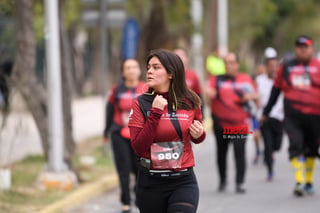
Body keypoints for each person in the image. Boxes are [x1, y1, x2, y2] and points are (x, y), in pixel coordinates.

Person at [128, 49, 206, 213]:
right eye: (148, 67)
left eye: (156, 67)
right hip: (150, 182)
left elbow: (196, 136)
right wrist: (155, 112)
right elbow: (138, 147)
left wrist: (200, 135)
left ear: (171, 73)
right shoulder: (140, 103)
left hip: (183, 181)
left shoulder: (191, 101)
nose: (149, 71)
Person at [262, 35, 320, 196]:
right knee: (296, 145)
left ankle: (308, 181)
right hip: (293, 116)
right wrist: (266, 113)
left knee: (312, 149)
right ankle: (299, 181)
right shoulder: (286, 67)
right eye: (299, 46)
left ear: (311, 48)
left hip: (315, 116)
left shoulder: (318, 66)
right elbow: (275, 91)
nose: (302, 49)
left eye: (306, 46)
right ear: (295, 49)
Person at [205, 52, 258, 193]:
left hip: (240, 124)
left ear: (237, 64)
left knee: (239, 153)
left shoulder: (245, 79)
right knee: (221, 154)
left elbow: (257, 98)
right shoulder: (216, 79)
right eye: (226, 63)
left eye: (232, 63)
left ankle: (240, 182)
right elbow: (208, 93)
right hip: (220, 124)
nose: (229, 66)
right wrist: (209, 93)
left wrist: (250, 97)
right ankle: (223, 180)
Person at [103, 58, 145, 213]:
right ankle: (126, 202)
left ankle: (138, 194)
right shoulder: (117, 90)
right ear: (123, 72)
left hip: (140, 135)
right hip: (119, 133)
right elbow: (109, 110)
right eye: (128, 67)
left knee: (140, 169)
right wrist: (106, 131)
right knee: (124, 169)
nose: (131, 70)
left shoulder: (146, 89)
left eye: (134, 67)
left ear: (139, 70)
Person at [256, 49, 284, 181]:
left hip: (279, 118)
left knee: (276, 146)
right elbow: (254, 98)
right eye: (270, 66)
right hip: (265, 118)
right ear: (265, 67)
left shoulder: (282, 81)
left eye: (275, 66)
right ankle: (270, 170)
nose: (273, 69)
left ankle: (272, 153)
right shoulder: (259, 81)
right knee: (267, 145)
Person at [173, 48, 205, 116]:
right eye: (176, 56)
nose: (179, 58)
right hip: (172, 112)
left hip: (189, 113)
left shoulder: (193, 75)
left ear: (186, 59)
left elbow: (199, 96)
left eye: (181, 56)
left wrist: (201, 115)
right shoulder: (168, 75)